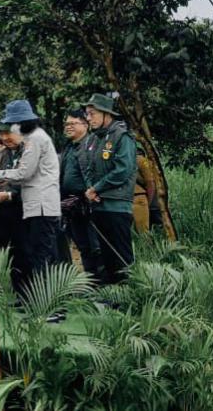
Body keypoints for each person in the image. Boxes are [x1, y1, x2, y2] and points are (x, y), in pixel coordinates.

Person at [0, 101, 62, 304]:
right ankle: (36, 302)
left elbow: (23, 173)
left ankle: (48, 306)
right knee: (36, 256)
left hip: (42, 207)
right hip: (37, 206)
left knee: (42, 259)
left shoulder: (35, 139)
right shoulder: (34, 138)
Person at [82, 94, 137, 285]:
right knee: (106, 257)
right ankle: (113, 298)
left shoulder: (122, 136)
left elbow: (123, 170)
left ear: (106, 114)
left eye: (92, 113)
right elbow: (88, 168)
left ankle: (130, 298)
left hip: (117, 205)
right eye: (87, 114)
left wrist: (97, 188)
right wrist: (91, 189)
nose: (88, 118)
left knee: (121, 256)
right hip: (99, 206)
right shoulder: (94, 139)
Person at [59, 108, 101, 276]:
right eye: (66, 124)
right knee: (82, 246)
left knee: (96, 247)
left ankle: (104, 288)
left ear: (85, 125)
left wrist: (89, 195)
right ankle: (92, 285)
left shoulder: (92, 144)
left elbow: (93, 174)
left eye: (72, 123)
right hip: (72, 206)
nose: (68, 127)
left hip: (89, 204)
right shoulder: (69, 147)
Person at [0, 123, 26, 283]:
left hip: (25, 210)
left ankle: (30, 293)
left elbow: (30, 182)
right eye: (1, 135)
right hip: (3, 211)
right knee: (8, 253)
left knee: (25, 251)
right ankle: (15, 290)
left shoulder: (30, 151)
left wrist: (10, 195)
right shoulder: (2, 154)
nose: (4, 138)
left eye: (7, 134)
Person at [133, 146, 156, 234]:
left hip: (120, 199)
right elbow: (150, 183)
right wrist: (148, 202)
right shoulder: (142, 160)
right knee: (143, 234)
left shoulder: (117, 158)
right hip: (138, 198)